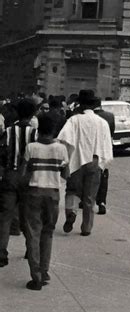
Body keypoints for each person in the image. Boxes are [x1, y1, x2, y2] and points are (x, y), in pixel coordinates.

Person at [21, 112, 69, 290]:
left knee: (33, 233)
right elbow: (66, 174)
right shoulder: (61, 149)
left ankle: (36, 276)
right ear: (54, 129)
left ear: (39, 129)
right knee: (47, 233)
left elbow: (25, 174)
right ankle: (45, 271)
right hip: (53, 194)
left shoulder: (31, 148)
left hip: (34, 192)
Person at [57, 90, 113, 236]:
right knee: (90, 196)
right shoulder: (102, 123)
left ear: (80, 105)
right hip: (94, 161)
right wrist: (103, 163)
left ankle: (72, 211)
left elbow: (64, 139)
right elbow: (107, 144)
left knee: (72, 190)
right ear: (94, 105)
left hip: (77, 160)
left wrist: (64, 160)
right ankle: (86, 228)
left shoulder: (74, 120)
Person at [0, 99, 37, 267]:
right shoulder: (36, 133)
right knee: (29, 217)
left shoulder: (8, 131)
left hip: (10, 176)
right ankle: (30, 250)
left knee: (5, 217)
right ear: (32, 115)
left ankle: (1, 254)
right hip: (29, 178)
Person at [93, 97, 115, 215]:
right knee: (104, 175)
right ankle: (102, 202)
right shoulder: (110, 116)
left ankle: (86, 199)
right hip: (105, 149)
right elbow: (111, 134)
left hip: (91, 150)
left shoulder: (87, 117)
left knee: (88, 175)